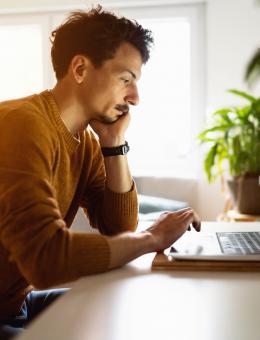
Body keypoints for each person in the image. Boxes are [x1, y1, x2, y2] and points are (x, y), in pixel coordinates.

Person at [0, 5, 201, 339]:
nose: (135, 98)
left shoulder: (86, 143)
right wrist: (152, 239)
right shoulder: (22, 125)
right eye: (126, 79)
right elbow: (47, 260)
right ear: (80, 68)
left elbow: (118, 227)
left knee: (133, 305)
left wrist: (114, 143)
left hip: (17, 305)